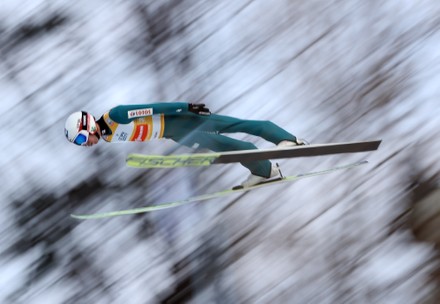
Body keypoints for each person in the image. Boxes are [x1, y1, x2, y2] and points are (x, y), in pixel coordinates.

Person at [64, 103, 306, 187]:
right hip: (177, 133)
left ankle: (289, 140)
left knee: (234, 126)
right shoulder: (107, 135)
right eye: (80, 143)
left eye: (83, 138)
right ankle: (265, 171)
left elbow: (153, 107)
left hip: (181, 120)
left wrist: (186, 106)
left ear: (88, 124)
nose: (86, 144)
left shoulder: (115, 116)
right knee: (226, 146)